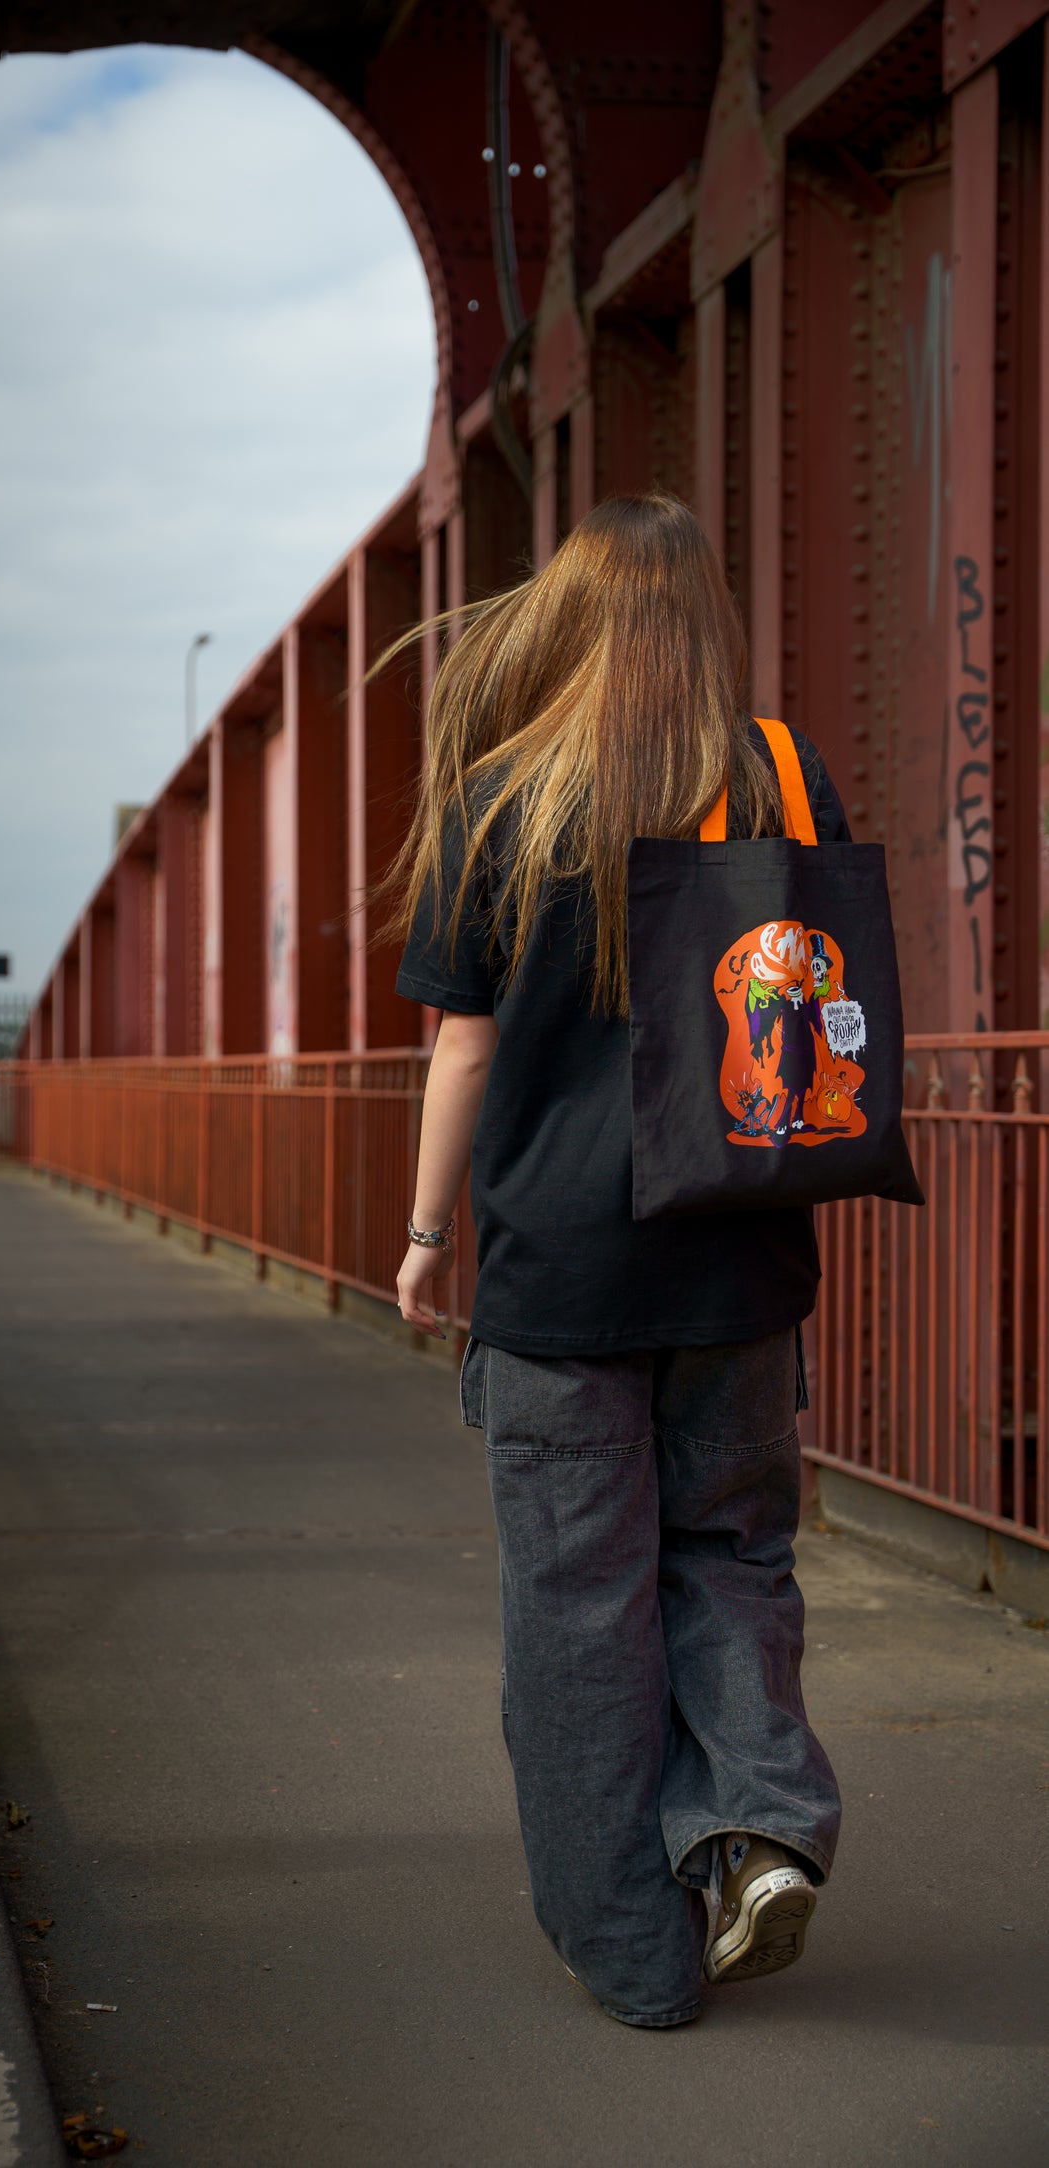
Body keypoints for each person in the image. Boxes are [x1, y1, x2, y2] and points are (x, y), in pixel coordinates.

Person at [389, 492, 842, 2029]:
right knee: (731, 1551)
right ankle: (757, 1823)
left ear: (571, 620)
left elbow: (459, 1057)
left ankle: (637, 1959)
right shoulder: (779, 775)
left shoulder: (503, 798)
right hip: (739, 1254)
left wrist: (423, 1235)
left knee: (579, 1605)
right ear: (700, 618)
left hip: (561, 1278)